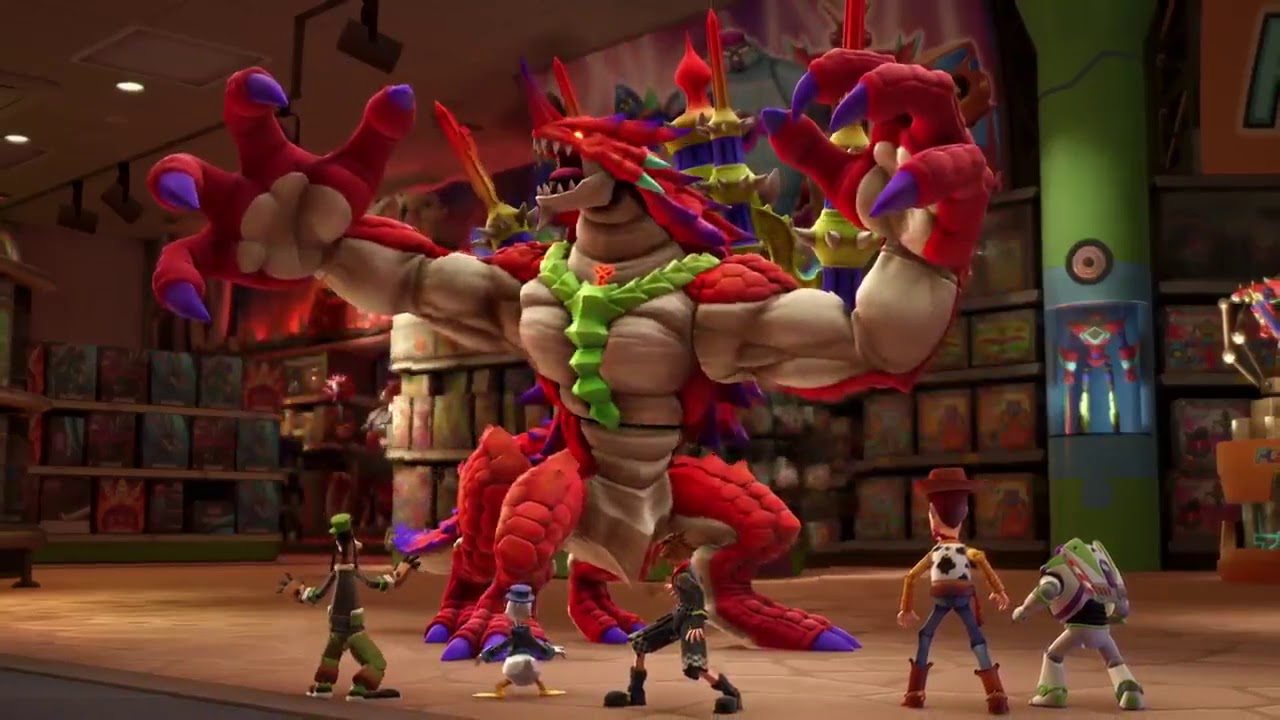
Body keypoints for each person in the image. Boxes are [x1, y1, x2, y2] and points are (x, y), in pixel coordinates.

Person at [898, 468, 1010, 714]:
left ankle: (915, 693)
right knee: (976, 638)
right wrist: (998, 590)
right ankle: (996, 695)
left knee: (926, 634)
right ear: (965, 513)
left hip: (943, 599)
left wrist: (906, 608)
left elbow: (911, 577)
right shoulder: (963, 550)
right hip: (961, 598)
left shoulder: (936, 552)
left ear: (932, 514)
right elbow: (980, 559)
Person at [278, 513, 420, 701]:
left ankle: (323, 686)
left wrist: (298, 591)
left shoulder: (337, 573)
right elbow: (380, 583)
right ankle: (360, 688)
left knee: (330, 657)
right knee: (376, 662)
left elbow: (316, 594)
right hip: (353, 630)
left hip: (336, 629)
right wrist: (401, 572)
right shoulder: (351, 573)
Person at [604, 532, 742, 715]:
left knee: (695, 664)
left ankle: (731, 693)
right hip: (679, 615)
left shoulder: (684, 575)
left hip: (690, 619)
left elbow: (700, 597)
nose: (667, 561)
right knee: (640, 643)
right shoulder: (683, 571)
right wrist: (675, 587)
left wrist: (696, 623)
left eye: (668, 557)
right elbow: (692, 587)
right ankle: (636, 693)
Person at [1012, 538, 1144, 710]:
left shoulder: (1058, 571)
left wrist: (1023, 610)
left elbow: (1046, 591)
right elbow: (1122, 607)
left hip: (1078, 628)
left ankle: (1052, 692)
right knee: (1114, 660)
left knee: (1053, 655)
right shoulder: (1099, 576)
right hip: (1103, 629)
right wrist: (1116, 616)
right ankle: (1130, 691)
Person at [474, 584, 566, 699]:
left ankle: (499, 690)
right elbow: (534, 644)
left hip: (515, 663)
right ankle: (542, 689)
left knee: (516, 677)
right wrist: (551, 650)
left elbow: (504, 645)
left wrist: (486, 654)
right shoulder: (522, 632)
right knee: (531, 676)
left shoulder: (518, 631)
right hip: (525, 663)